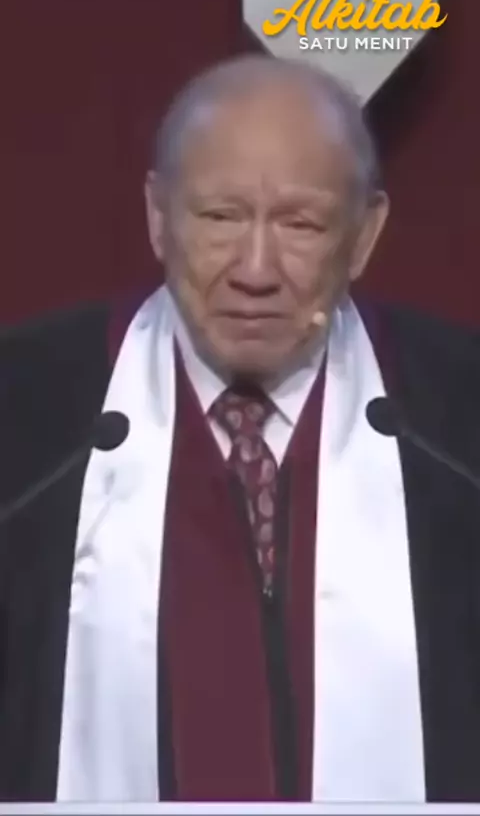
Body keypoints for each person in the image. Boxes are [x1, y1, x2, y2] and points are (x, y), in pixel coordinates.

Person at [1, 54, 480, 805]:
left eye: (300, 224)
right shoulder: (25, 415)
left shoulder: (457, 420)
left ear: (364, 234)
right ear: (158, 217)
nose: (255, 270)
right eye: (220, 217)